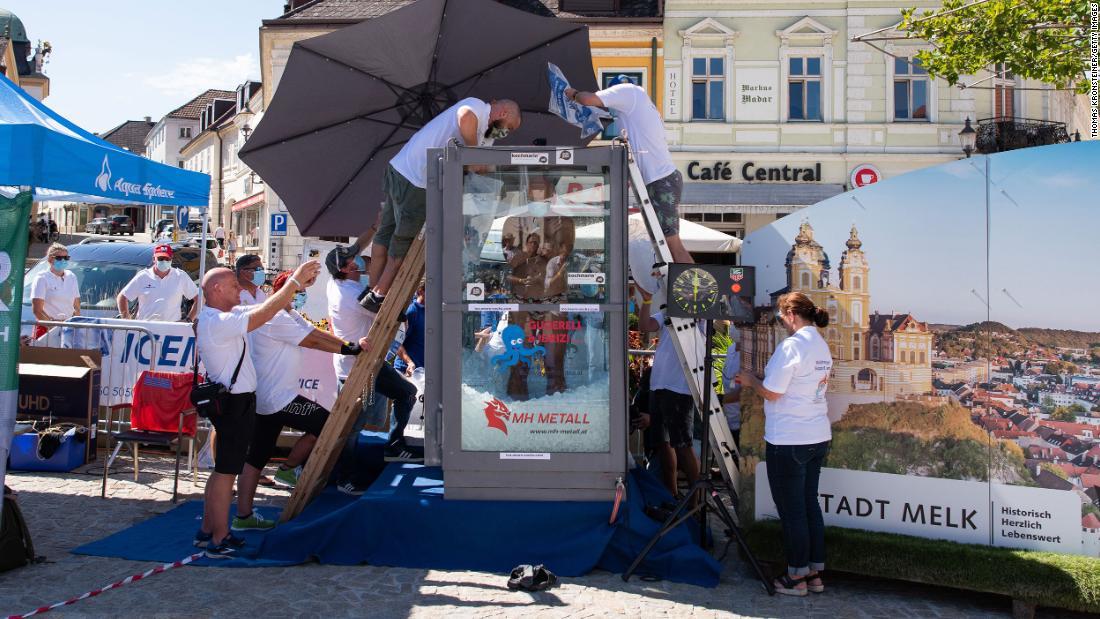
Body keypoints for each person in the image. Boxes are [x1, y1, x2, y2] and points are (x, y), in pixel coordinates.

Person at [192, 259, 322, 558]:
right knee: (226, 473)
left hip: (236, 402)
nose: (241, 289)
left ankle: (208, 530)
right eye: (235, 285)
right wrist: (294, 283)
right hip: (235, 404)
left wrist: (294, 289)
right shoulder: (218, 322)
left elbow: (261, 309)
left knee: (221, 471)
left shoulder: (222, 315)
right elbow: (263, 313)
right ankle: (220, 538)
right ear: (216, 288)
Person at [231, 270, 370, 532]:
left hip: (270, 396)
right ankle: (289, 467)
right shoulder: (273, 317)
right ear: (282, 292)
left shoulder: (286, 313)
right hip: (278, 398)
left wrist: (349, 344)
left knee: (256, 459)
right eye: (297, 292)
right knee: (328, 424)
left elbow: (314, 331)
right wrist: (349, 348)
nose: (300, 297)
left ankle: (243, 515)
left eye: (303, 291)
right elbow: (314, 340)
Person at [361, 97, 522, 312]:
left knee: (387, 231)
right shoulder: (476, 107)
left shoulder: (487, 138)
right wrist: (472, 155)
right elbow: (465, 116)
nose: (506, 133)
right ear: (502, 114)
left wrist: (475, 164)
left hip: (403, 167)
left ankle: (371, 291)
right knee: (403, 240)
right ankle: (379, 293)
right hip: (417, 180)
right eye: (508, 128)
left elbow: (475, 166)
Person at [736, 291, 833, 596]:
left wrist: (751, 381)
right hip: (817, 435)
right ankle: (815, 573)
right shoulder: (820, 343)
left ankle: (796, 578)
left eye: (779, 317)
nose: (779, 323)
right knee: (808, 506)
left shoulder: (791, 346)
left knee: (792, 512)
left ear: (791, 315)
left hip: (789, 438)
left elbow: (774, 392)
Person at [564, 81, 692, 265]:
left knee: (672, 245)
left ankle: (698, 291)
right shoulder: (636, 108)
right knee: (663, 246)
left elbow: (587, 99)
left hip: (660, 180)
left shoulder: (628, 92)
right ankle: (680, 287)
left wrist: (572, 93)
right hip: (659, 180)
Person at [325, 246, 420, 494]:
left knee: (406, 392)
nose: (361, 262)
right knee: (353, 426)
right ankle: (345, 478)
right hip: (357, 369)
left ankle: (393, 445)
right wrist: (392, 263)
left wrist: (375, 230)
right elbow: (383, 306)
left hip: (371, 363)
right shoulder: (351, 295)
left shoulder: (339, 284)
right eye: (355, 260)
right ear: (346, 268)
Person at [637, 288, 702, 497]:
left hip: (680, 387)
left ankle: (695, 500)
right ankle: (672, 495)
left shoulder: (701, 315)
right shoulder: (667, 313)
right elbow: (645, 326)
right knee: (662, 443)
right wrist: (647, 301)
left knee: (682, 444)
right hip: (659, 384)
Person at [117, 244, 199, 322]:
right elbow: (122, 297)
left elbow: (199, 299)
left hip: (172, 330)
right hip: (145, 329)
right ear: (154, 259)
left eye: (167, 259)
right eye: (160, 259)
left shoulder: (180, 276)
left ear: (171, 259)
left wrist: (189, 319)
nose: (164, 261)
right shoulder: (143, 277)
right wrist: (127, 320)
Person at [30, 243, 80, 328]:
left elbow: (77, 306)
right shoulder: (42, 278)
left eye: (66, 258)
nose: (63, 260)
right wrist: (53, 327)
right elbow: (37, 310)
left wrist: (72, 324)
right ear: (50, 259)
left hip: (68, 328)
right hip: (46, 328)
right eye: (59, 258)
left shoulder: (71, 276)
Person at [393, 280, 425, 377]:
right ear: (420, 291)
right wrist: (409, 363)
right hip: (406, 371)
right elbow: (396, 342)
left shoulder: (434, 312)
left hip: (423, 374)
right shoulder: (411, 311)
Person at [721, 325, 743, 447]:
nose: (734, 326)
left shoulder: (751, 355)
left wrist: (720, 400)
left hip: (743, 422)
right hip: (729, 420)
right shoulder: (731, 349)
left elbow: (746, 392)